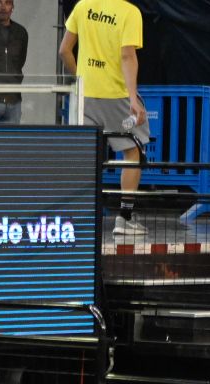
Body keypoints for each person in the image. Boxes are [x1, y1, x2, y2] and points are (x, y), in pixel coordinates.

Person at [61, 0, 149, 237]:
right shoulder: (129, 12)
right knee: (133, 151)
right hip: (115, 95)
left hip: (86, 95)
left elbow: (64, 50)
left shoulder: (82, 6)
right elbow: (128, 56)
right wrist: (133, 98)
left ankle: (78, 218)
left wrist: (80, 79)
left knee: (86, 157)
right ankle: (125, 217)